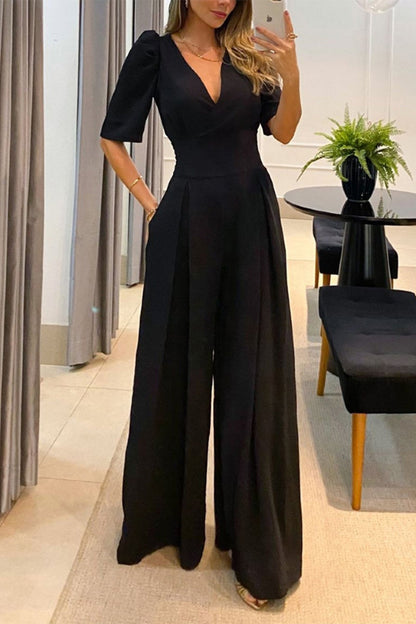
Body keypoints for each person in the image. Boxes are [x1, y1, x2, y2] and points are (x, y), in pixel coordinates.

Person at [99, 0, 302, 611]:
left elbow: (284, 131)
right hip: (185, 219)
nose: (223, 0)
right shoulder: (154, 52)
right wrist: (150, 202)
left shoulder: (250, 53)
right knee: (173, 368)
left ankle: (255, 547)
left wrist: (292, 73)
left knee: (251, 376)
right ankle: (165, 520)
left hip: (250, 220)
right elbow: (113, 135)